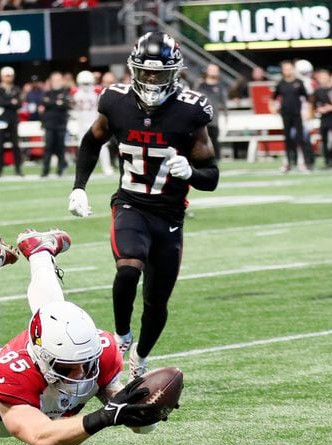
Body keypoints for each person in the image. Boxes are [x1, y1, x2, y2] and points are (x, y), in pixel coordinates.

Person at [68, 31, 219, 381]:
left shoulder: (190, 112)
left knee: (156, 300)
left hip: (168, 214)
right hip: (130, 205)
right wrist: (79, 187)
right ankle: (122, 336)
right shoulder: (115, 102)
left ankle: (141, 355)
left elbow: (211, 177)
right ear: (134, 69)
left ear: (175, 72)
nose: (152, 80)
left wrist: (191, 171)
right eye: (146, 72)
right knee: (128, 268)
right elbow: (91, 143)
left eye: (159, 73)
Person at [0, 229, 164, 445]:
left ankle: (40, 253)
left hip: (45, 362)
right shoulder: (11, 374)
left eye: (87, 362)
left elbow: (137, 421)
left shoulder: (100, 350)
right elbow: (41, 437)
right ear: (41, 357)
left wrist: (146, 409)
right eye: (66, 366)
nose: (80, 374)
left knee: (52, 312)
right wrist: (104, 416)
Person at [270, 60, 311, 173]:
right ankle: (288, 162)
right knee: (288, 139)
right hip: (285, 115)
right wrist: (273, 107)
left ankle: (302, 163)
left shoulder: (299, 82)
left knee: (300, 139)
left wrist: (308, 112)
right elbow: (273, 98)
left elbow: (307, 99)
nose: (287, 71)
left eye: (289, 68)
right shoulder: (281, 83)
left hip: (297, 114)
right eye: (285, 69)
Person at [72, 70, 113, 175]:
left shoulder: (98, 91)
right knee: (83, 148)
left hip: (95, 122)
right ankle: (84, 171)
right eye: (84, 83)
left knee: (103, 147)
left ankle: (107, 167)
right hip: (81, 123)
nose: (86, 86)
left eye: (87, 83)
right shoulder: (74, 93)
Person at [39, 71, 71, 177]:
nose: (57, 82)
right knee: (48, 147)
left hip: (61, 124)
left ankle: (61, 169)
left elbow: (65, 105)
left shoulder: (66, 92)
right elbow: (44, 103)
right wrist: (57, 103)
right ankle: (45, 170)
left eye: (58, 80)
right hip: (49, 124)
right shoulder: (47, 93)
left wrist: (51, 103)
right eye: (55, 80)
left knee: (60, 147)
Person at [0, 66, 23, 177]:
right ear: (2, 77)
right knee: (0, 146)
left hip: (13, 120)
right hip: (1, 119)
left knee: (15, 145)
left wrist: (9, 102)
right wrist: (11, 102)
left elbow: (19, 103)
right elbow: (0, 102)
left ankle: (18, 169)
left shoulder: (16, 89)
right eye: (7, 75)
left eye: (10, 75)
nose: (9, 78)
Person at [196, 64, 228, 161]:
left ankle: (216, 160)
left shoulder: (220, 86)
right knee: (200, 139)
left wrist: (226, 116)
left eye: (216, 70)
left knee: (214, 140)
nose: (214, 72)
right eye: (212, 70)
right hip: (201, 118)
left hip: (214, 118)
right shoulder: (200, 84)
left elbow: (224, 102)